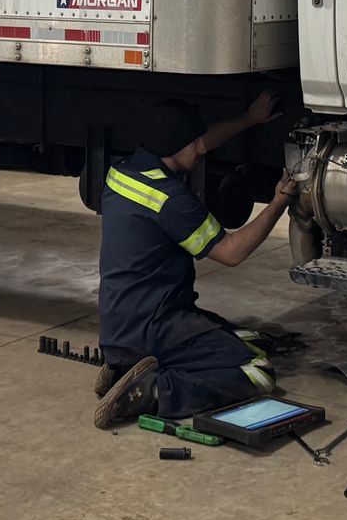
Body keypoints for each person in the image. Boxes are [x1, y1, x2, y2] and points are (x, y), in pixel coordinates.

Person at [92, 92, 297, 429]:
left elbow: (193, 141)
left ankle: (122, 367)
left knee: (252, 338)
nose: (203, 149)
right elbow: (231, 252)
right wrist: (279, 203)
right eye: (196, 143)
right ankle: (156, 391)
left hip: (120, 324)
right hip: (156, 326)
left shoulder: (123, 172)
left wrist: (249, 119)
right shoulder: (171, 201)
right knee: (258, 370)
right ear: (175, 145)